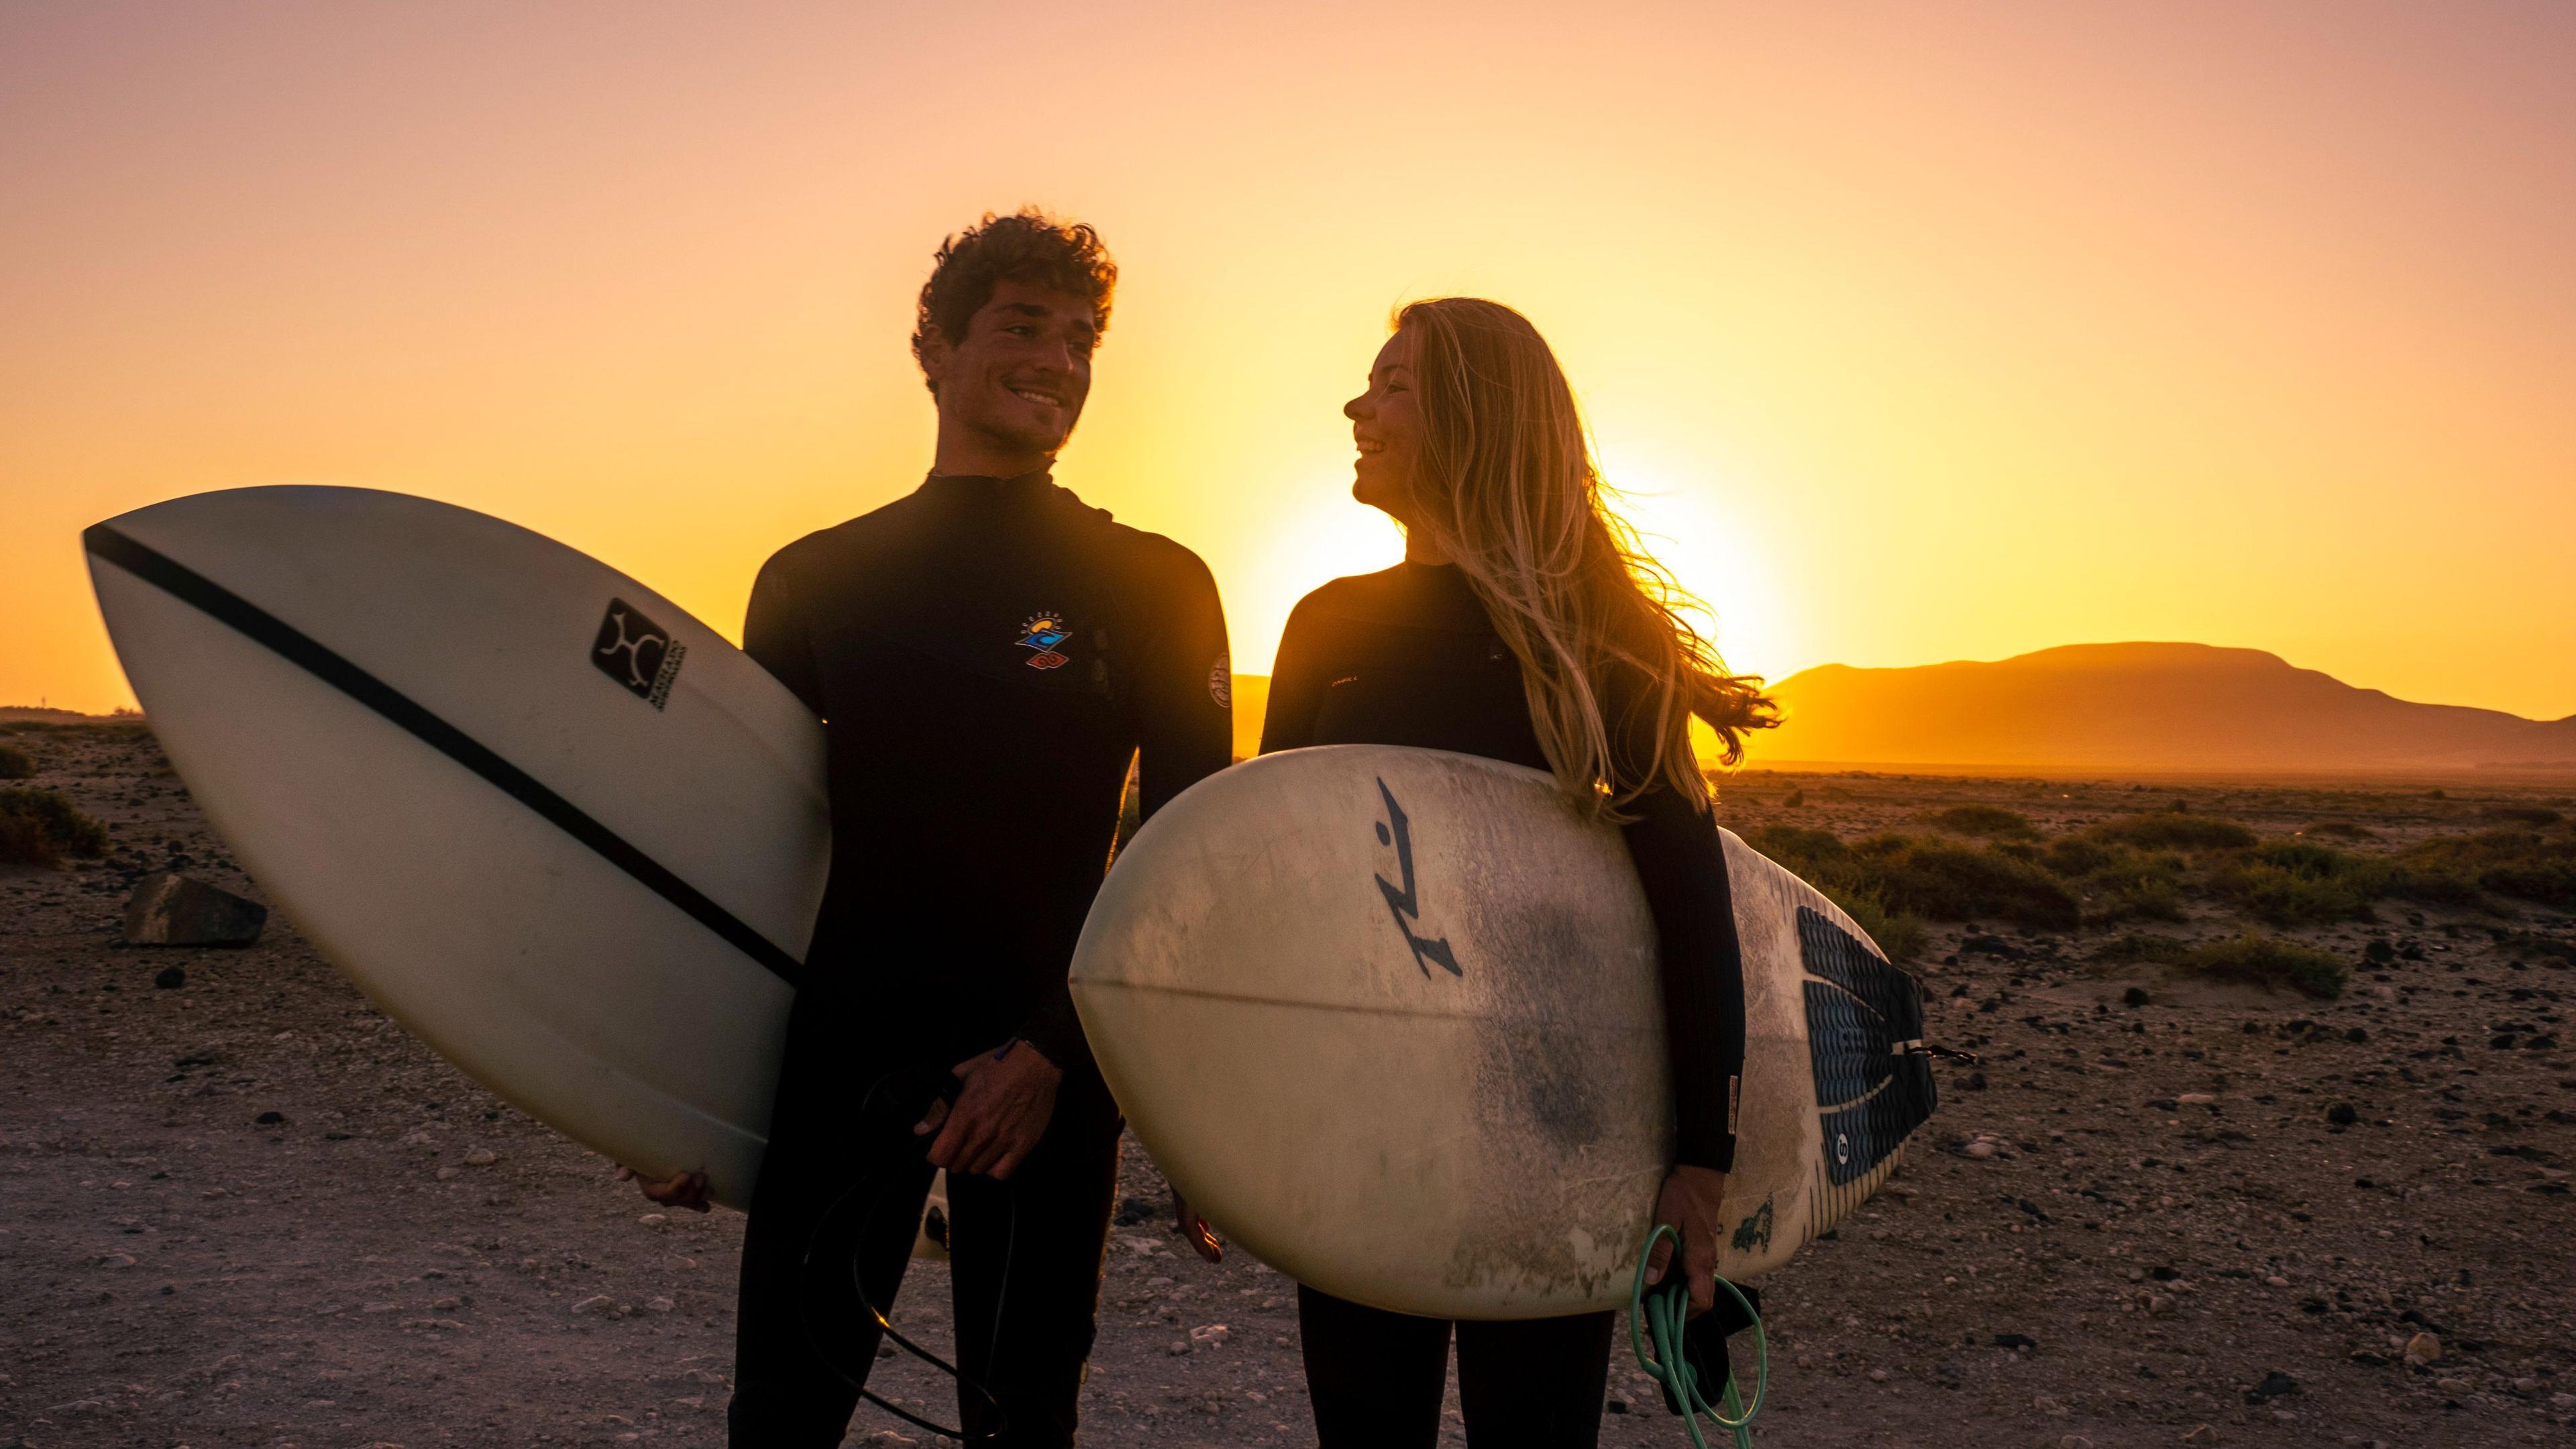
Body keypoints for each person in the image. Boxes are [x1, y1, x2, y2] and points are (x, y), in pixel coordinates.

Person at [622, 209, 1233, 1448]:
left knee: (1024, 1422)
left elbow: (1190, 858)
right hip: (848, 1045)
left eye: (1080, 339)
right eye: (1021, 327)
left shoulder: (1158, 586)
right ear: (936, 353)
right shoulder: (815, 579)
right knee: (782, 1414)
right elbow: (750, 851)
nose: (1058, 360)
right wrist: (673, 1098)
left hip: (1053, 1059)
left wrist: (1053, 1056)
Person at [1260, 297, 1776, 1448]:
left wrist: (1702, 1161)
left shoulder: (1596, 645)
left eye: (1393, 385)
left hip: (1554, 1138)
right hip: (1362, 1130)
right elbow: (1274, 897)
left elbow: (1693, 917)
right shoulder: (1324, 629)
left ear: (1476, 421)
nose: (1358, 406)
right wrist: (1223, 1114)